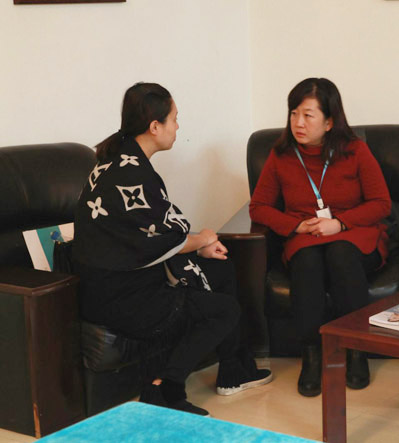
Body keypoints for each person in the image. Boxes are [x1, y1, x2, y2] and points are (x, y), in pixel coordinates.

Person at [73, 82, 272, 416]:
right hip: (121, 297)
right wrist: (202, 239)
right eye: (175, 119)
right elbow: (166, 237)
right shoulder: (132, 174)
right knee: (224, 310)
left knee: (220, 267)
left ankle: (234, 371)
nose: (178, 127)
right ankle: (165, 388)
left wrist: (199, 247)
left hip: (121, 281)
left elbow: (149, 237)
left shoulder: (114, 160)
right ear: (155, 126)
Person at [249, 78, 391, 397]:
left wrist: (340, 223)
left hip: (354, 234)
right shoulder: (282, 155)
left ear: (329, 122)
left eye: (308, 115)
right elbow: (258, 207)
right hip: (306, 236)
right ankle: (311, 355)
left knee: (340, 254)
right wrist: (295, 226)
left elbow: (381, 203)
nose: (298, 123)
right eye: (294, 113)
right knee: (308, 261)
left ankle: (356, 350)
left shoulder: (355, 151)